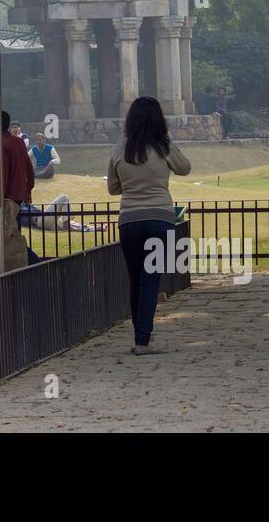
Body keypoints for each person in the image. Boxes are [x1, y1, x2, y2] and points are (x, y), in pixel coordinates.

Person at [107, 96, 192, 355]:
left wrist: (132, 184)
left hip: (130, 221)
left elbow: (112, 188)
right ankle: (143, 340)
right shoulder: (163, 146)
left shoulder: (120, 148)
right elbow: (185, 169)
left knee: (135, 280)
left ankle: (139, 337)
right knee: (150, 280)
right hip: (160, 219)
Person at [0, 111, 40, 262]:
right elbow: (29, 168)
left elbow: (3, 174)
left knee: (9, 236)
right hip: (17, 197)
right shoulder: (18, 142)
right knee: (15, 233)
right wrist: (28, 190)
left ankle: (34, 262)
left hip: (4, 198)